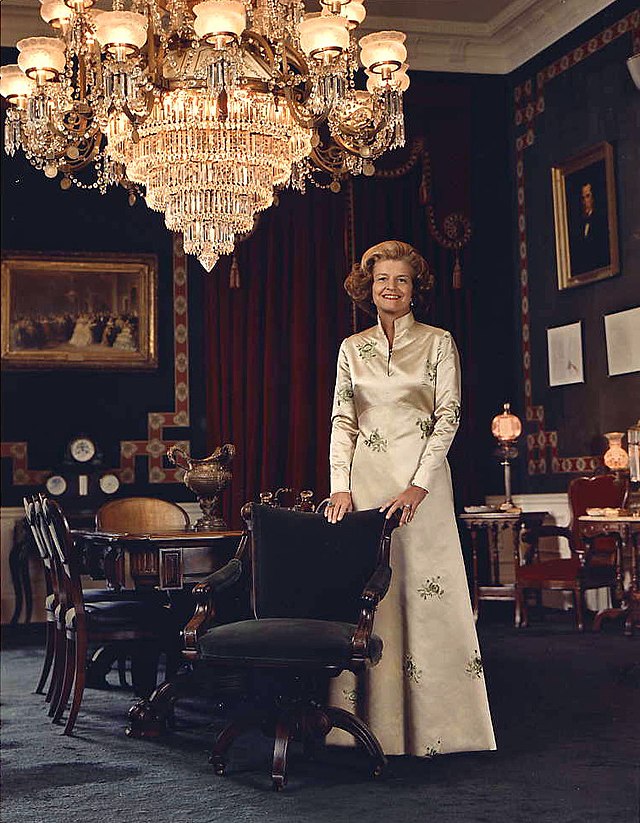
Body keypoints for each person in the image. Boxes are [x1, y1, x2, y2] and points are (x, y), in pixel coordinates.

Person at [325, 240, 496, 757]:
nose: (391, 288)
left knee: (424, 594)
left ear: (415, 286)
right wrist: (340, 486)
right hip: (368, 483)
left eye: (401, 280)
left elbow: (449, 416)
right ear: (368, 288)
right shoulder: (351, 349)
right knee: (370, 598)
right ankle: (362, 728)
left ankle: (440, 732)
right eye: (382, 280)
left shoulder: (439, 342)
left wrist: (420, 483)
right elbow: (342, 421)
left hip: (423, 486)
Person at [570, 181, 610, 276]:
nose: (585, 202)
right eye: (583, 198)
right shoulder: (579, 224)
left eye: (588, 196)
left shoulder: (601, 221)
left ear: (593, 198)